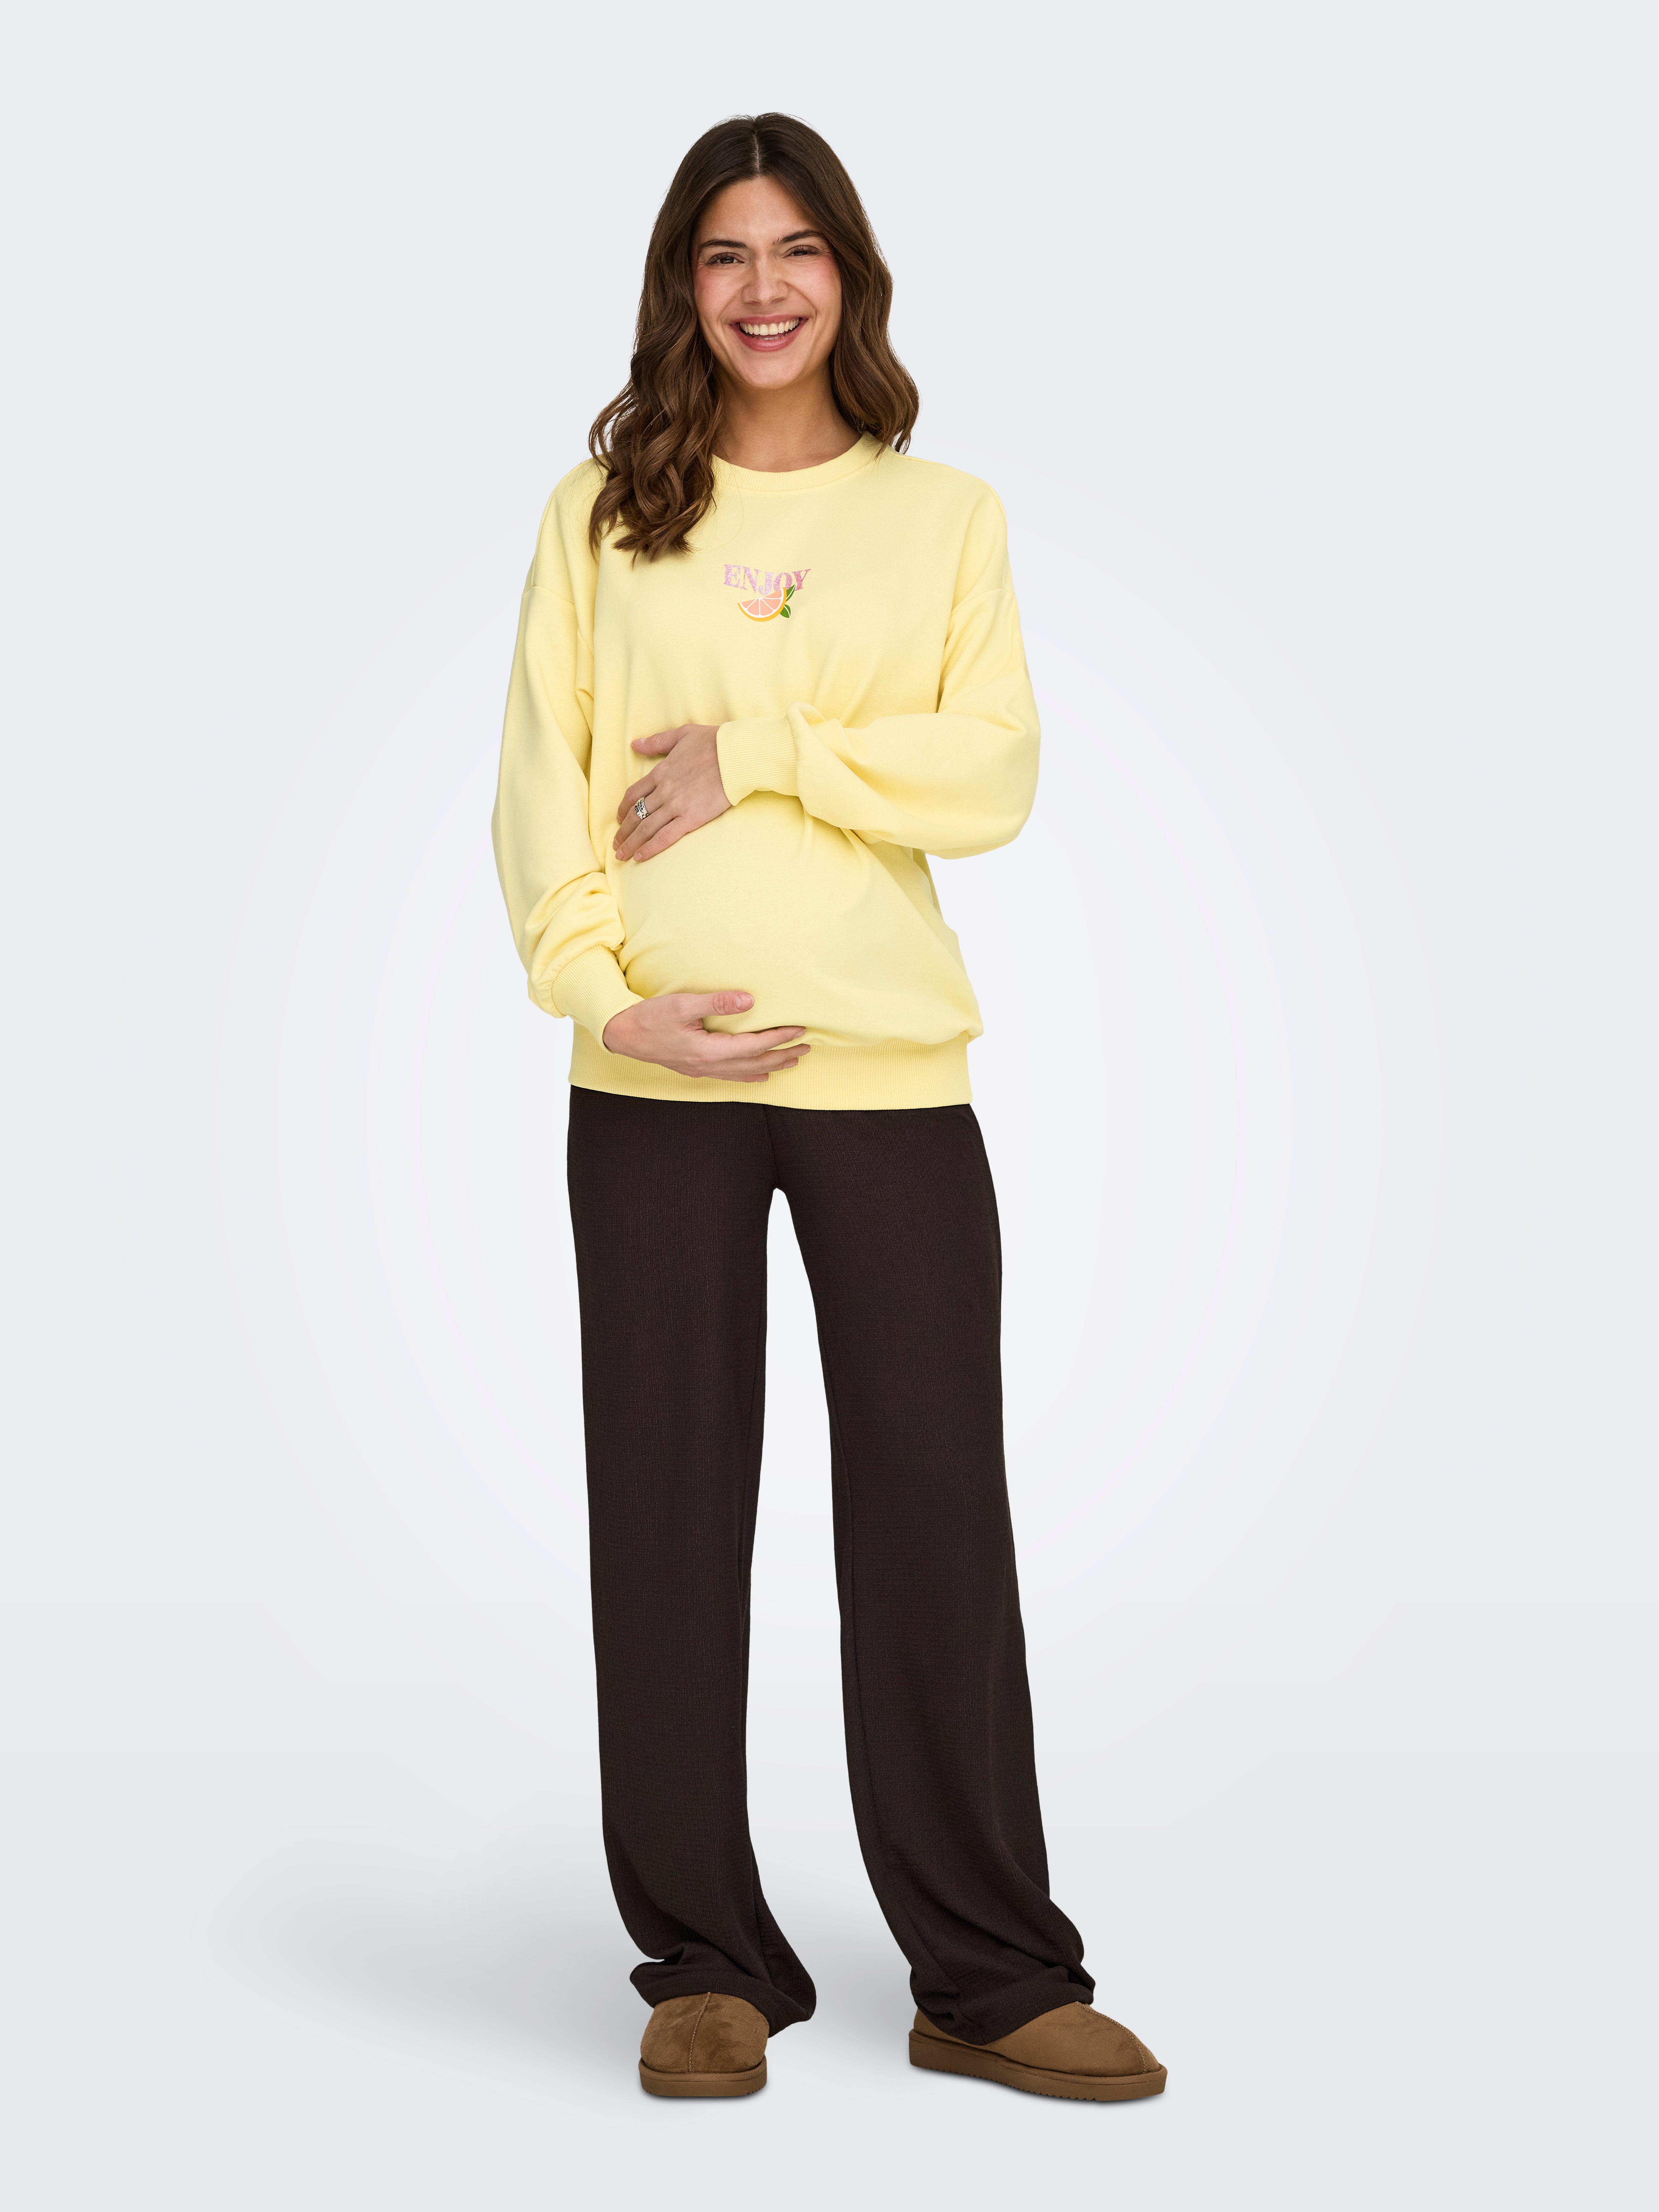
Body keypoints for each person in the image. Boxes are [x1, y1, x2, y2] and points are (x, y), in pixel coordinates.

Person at [492, 111, 1165, 2106]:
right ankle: (703, 1961)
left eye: (798, 250)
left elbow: (992, 771)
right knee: (667, 1509)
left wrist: (765, 746)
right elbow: (540, 786)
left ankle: (989, 1971)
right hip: (653, 1077)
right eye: (725, 253)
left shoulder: (942, 516)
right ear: (681, 286)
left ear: (850, 277)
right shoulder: (602, 516)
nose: (764, 286)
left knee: (937, 1508)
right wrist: (612, 998)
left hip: (887, 1075)